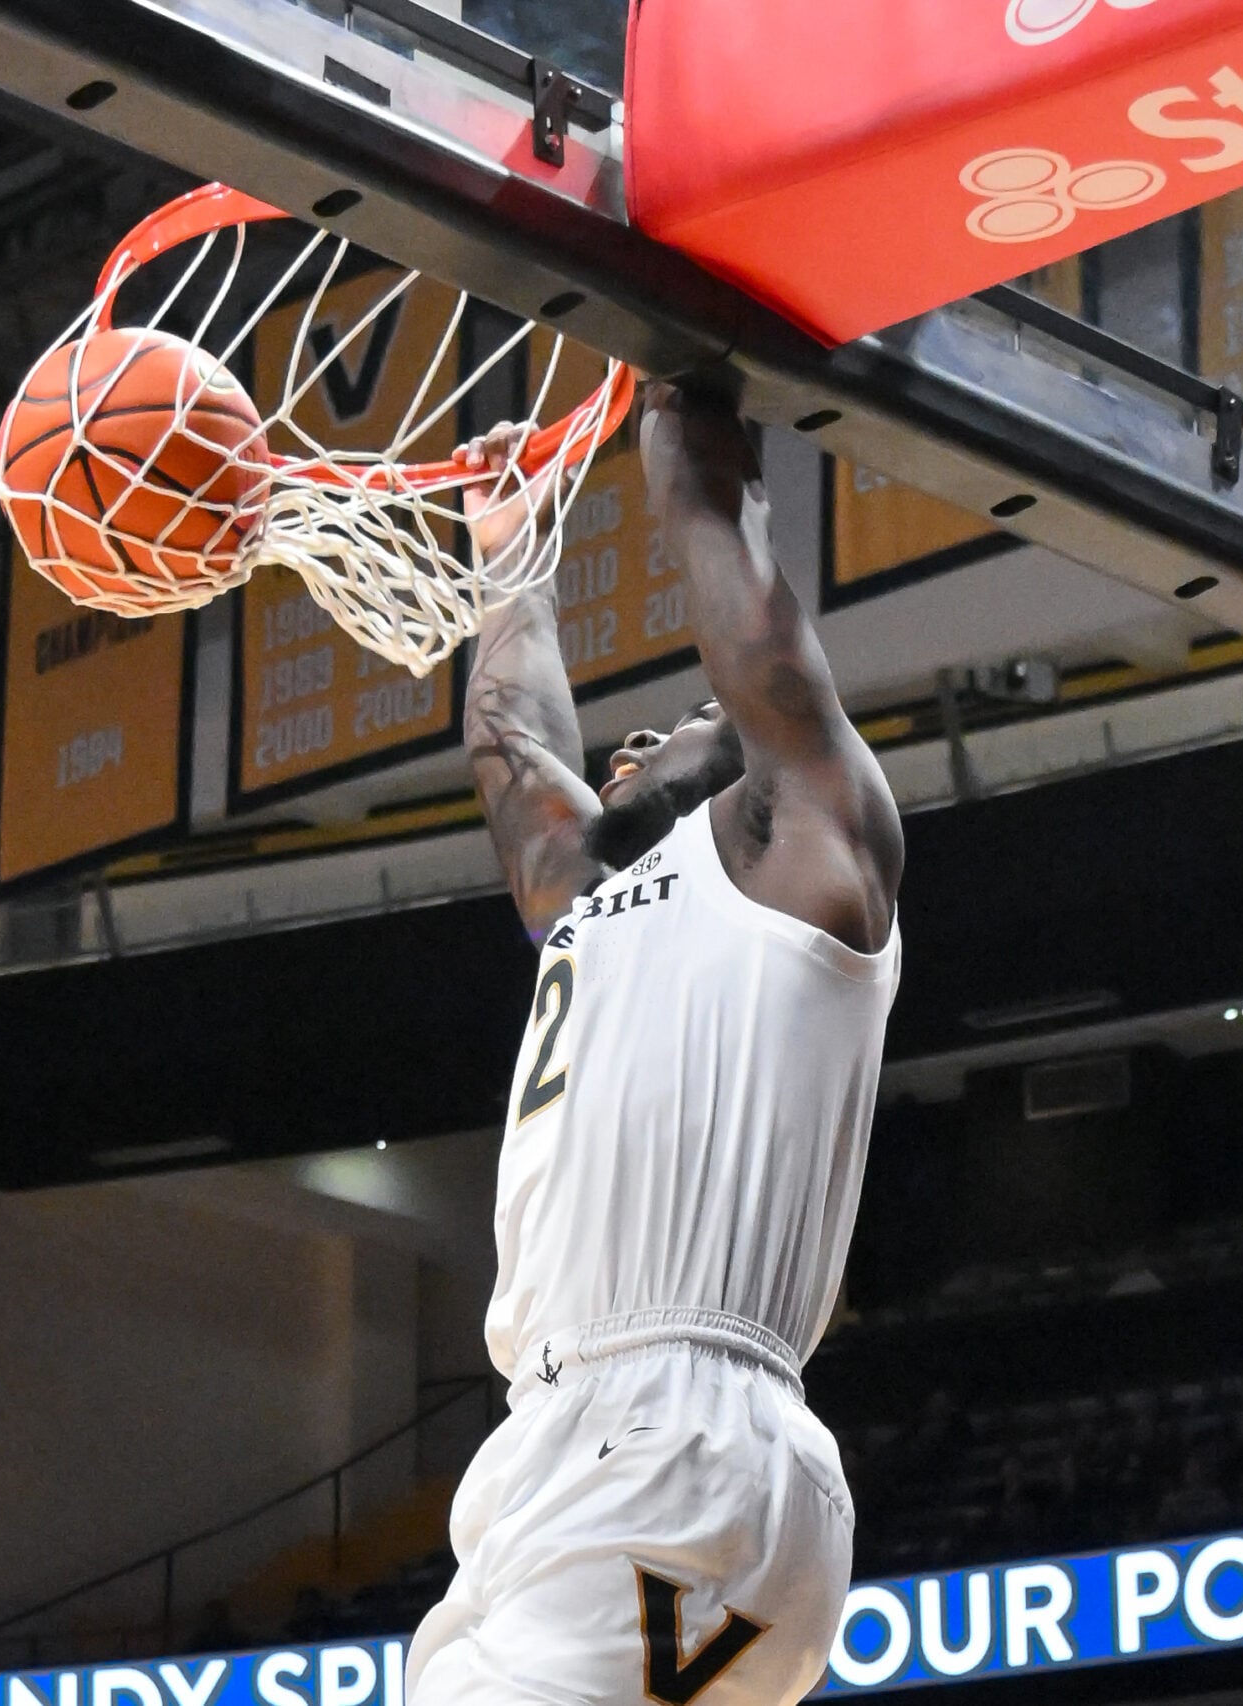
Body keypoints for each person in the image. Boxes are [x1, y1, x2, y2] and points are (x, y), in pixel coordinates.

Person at [403, 382, 904, 1706]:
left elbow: (768, 658)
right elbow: (512, 749)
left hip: (670, 1431)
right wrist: (509, 559)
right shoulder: (588, 906)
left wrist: (686, 422)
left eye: (671, 726)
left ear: (740, 757)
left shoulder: (803, 865)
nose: (627, 748)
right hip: (614, 1451)